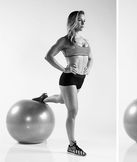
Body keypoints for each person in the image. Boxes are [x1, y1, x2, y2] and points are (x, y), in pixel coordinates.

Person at [32, 10, 93, 156]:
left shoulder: (85, 41)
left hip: (80, 79)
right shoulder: (64, 41)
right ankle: (72, 145)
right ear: (73, 22)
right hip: (69, 79)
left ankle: (44, 98)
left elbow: (91, 58)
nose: (83, 23)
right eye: (80, 20)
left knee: (60, 99)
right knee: (73, 111)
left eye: (84, 20)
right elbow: (48, 56)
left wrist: (88, 70)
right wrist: (64, 69)